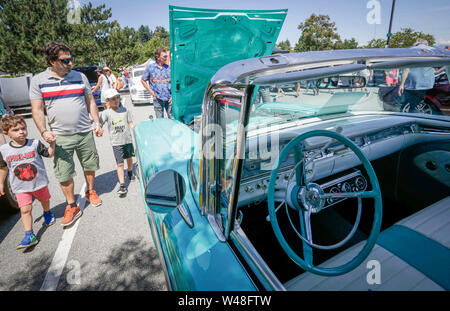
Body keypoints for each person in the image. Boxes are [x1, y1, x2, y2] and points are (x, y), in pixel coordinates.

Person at [30, 41, 103, 228]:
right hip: (59, 136)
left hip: (85, 131)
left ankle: (91, 191)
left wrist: (96, 122)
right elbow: (37, 110)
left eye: (71, 58)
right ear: (52, 61)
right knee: (63, 173)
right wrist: (44, 131)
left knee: (90, 164)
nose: (70, 63)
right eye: (65, 60)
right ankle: (72, 205)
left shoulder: (80, 77)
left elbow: (90, 102)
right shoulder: (38, 80)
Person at [0, 115, 56, 249]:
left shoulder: (35, 144)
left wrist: (52, 143)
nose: (21, 132)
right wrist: (1, 183)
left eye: (23, 128)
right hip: (20, 187)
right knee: (25, 210)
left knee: (44, 200)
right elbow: (3, 168)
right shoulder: (3, 150)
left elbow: (49, 154)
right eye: (16, 130)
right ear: (6, 133)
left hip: (39, 183)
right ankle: (29, 235)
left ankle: (47, 213)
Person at [99, 89, 134, 197]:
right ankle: (122, 185)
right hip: (116, 142)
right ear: (107, 101)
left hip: (127, 140)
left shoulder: (125, 110)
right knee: (119, 163)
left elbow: (131, 123)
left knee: (129, 159)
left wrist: (137, 131)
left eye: (117, 97)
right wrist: (98, 128)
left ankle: (130, 171)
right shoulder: (106, 113)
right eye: (113, 99)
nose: (116, 100)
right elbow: (100, 123)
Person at [398, 39, 435, 112]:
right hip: (425, 84)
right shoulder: (431, 55)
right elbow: (433, 71)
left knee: (408, 103)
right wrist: (443, 68)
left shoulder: (411, 53)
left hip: (411, 83)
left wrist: (401, 84)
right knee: (416, 104)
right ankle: (413, 118)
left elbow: (406, 69)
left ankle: (409, 118)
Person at [141, 48, 173, 119]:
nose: (166, 58)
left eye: (166, 56)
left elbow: (174, 83)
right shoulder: (150, 68)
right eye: (164, 56)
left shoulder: (169, 68)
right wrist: (151, 92)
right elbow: (143, 80)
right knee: (160, 121)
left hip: (169, 100)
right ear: (158, 57)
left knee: (172, 119)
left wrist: (173, 96)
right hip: (158, 99)